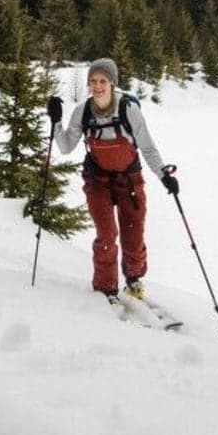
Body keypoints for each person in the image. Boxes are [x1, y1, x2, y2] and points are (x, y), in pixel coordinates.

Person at [48, 58, 178, 303]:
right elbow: (65, 147)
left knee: (134, 235)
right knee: (106, 236)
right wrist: (56, 122)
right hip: (98, 181)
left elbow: (148, 148)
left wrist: (164, 175)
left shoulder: (129, 110)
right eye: (93, 81)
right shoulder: (82, 112)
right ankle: (106, 291)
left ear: (112, 83)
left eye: (103, 81)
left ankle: (134, 279)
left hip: (129, 179)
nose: (97, 86)